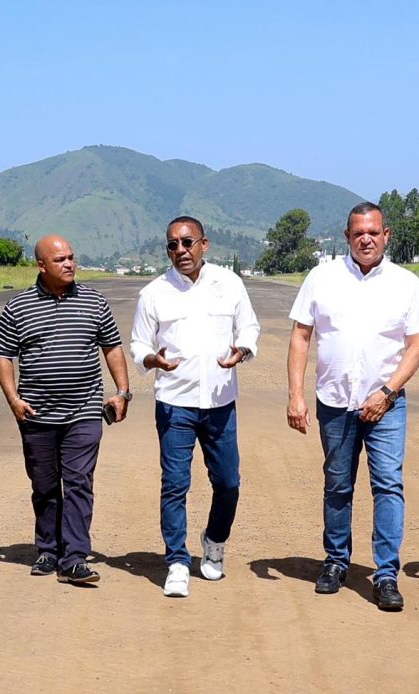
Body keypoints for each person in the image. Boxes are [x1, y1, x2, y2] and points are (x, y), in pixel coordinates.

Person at [287, 201, 419, 612]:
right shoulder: (322, 278)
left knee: (388, 484)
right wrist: (295, 394)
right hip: (334, 401)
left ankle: (386, 573)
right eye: (358, 233)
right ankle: (336, 561)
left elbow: (417, 345)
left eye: (374, 232)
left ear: (386, 236)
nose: (366, 239)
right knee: (338, 485)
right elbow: (301, 336)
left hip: (387, 404)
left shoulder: (406, 284)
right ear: (347, 237)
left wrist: (387, 392)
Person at [0, 235, 130, 586]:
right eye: (60, 260)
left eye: (71, 257)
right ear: (41, 266)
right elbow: (3, 355)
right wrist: (13, 399)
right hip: (37, 414)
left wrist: (122, 392)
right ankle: (48, 549)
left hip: (83, 410)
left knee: (79, 482)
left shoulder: (94, 301)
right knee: (45, 485)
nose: (69, 264)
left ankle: (75, 556)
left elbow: (112, 348)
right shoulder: (19, 307)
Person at [131, 216, 260, 598]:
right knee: (174, 485)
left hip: (220, 403)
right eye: (172, 245)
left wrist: (242, 350)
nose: (180, 251)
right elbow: (138, 344)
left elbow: (249, 328)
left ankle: (215, 541)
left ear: (204, 244)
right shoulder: (153, 293)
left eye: (187, 243)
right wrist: (153, 359)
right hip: (175, 405)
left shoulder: (230, 284)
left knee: (228, 483)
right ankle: (176, 561)